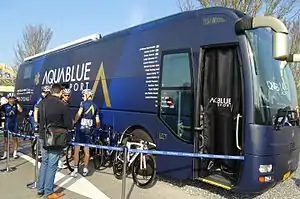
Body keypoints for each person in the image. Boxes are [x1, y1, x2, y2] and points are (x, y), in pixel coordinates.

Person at [36, 83, 72, 199]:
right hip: (54, 138)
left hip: (42, 136)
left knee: (44, 163)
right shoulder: (62, 105)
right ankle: (49, 192)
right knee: (52, 165)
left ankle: (40, 188)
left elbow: (39, 119)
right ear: (61, 91)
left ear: (51, 91)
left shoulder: (42, 103)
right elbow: (69, 124)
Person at [71, 89, 100, 177]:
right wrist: (97, 128)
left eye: (83, 95)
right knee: (86, 150)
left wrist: (74, 122)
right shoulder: (96, 106)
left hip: (80, 130)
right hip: (89, 130)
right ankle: (85, 169)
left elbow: (79, 114)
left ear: (88, 95)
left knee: (76, 150)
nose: (82, 97)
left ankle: (75, 169)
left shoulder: (83, 104)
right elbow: (97, 121)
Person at [0, 93, 22, 160]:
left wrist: (17, 103)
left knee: (14, 138)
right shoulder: (4, 106)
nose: (11, 100)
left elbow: (20, 110)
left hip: (14, 123)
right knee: (6, 139)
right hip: (7, 123)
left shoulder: (16, 105)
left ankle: (15, 153)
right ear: (8, 99)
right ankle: (5, 154)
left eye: (12, 98)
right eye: (10, 99)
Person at [57, 88, 72, 169]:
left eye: (68, 95)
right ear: (62, 95)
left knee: (61, 145)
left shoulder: (66, 103)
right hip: (60, 128)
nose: (67, 97)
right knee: (60, 146)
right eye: (65, 95)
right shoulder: (62, 104)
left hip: (63, 128)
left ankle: (59, 161)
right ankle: (59, 162)